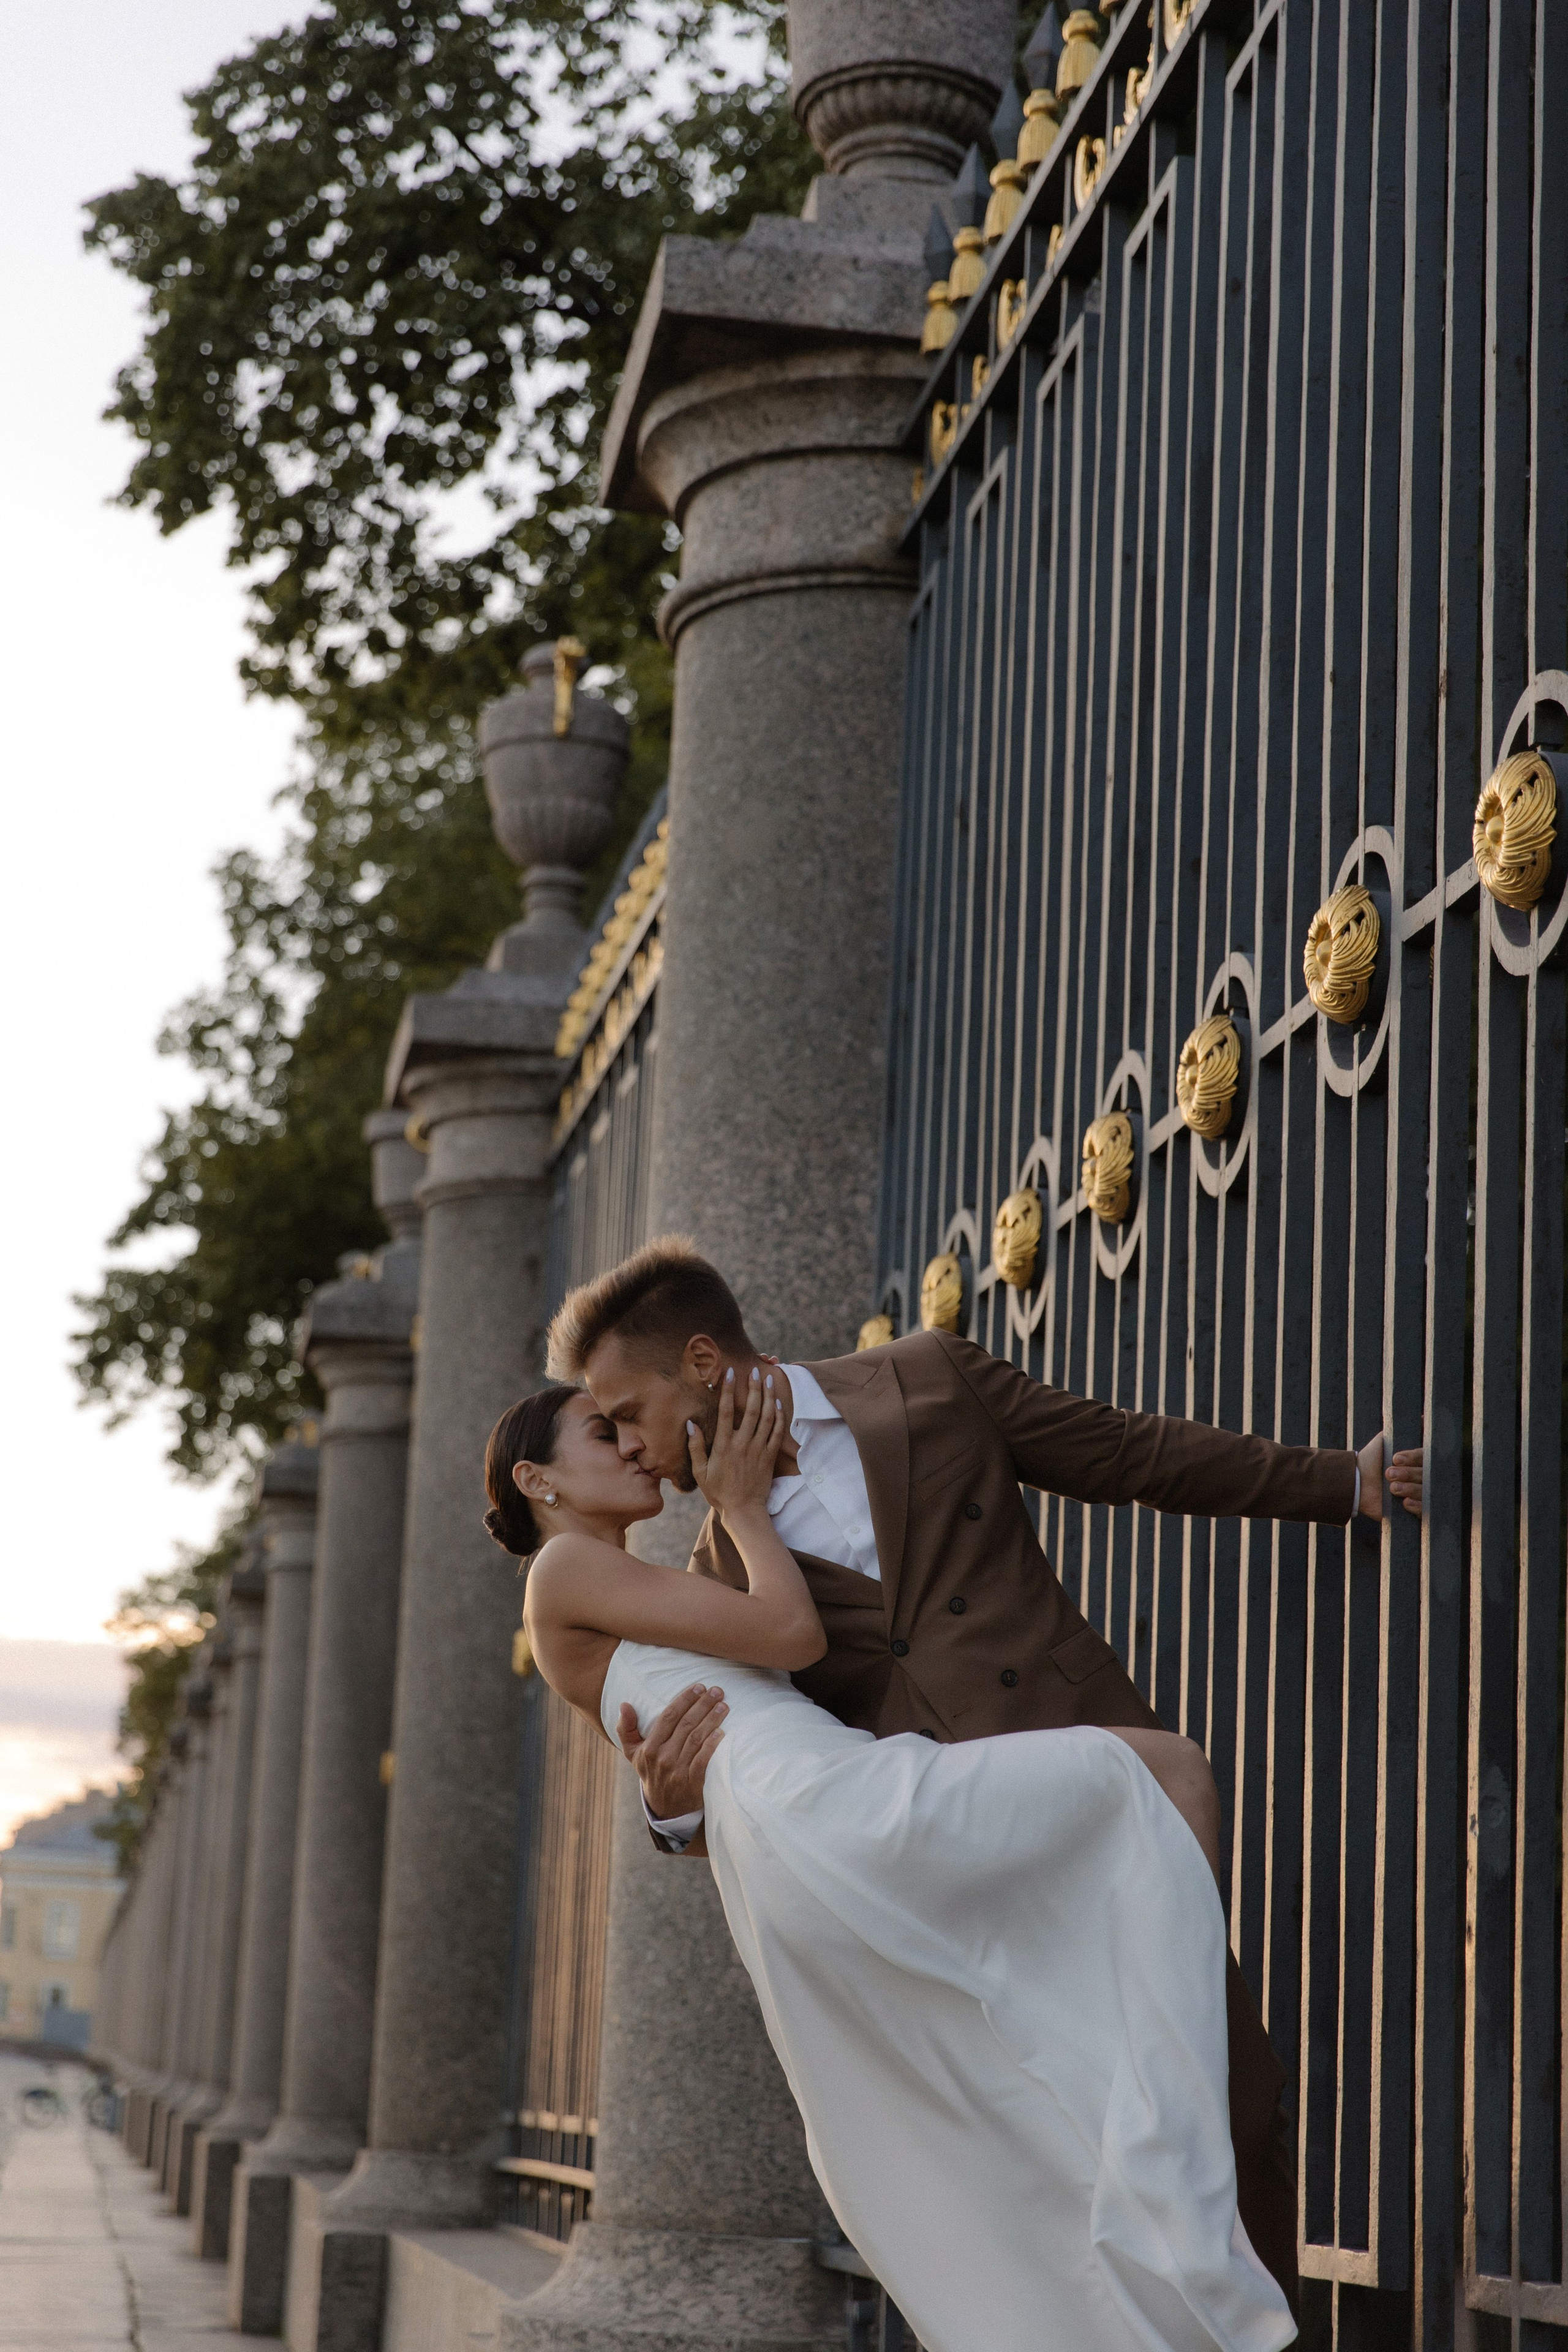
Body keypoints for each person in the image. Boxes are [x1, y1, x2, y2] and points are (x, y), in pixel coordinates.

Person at [546, 1238, 1425, 2315]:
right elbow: (757, 1768)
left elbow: (1127, 1454)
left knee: (1230, 2106)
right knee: (1030, 2166)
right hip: (964, 1887)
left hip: (1093, 1799)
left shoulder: (929, 1377)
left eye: (627, 1410)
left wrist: (1342, 1483)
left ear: (701, 1360)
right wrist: (668, 1809)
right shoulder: (726, 1571)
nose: (630, 1446)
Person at [487, 1370, 1298, 2352]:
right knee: (1166, 1775)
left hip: (809, 1825)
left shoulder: (643, 1585)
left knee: (1019, 2096)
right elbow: (792, 1633)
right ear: (538, 1479)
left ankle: (1155, 2194)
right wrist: (743, 1507)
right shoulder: (562, 1571)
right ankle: (1179, 2134)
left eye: (625, 1422)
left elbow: (700, 1752)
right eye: (598, 1432)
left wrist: (667, 1810)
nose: (628, 1444)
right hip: (833, 1813)